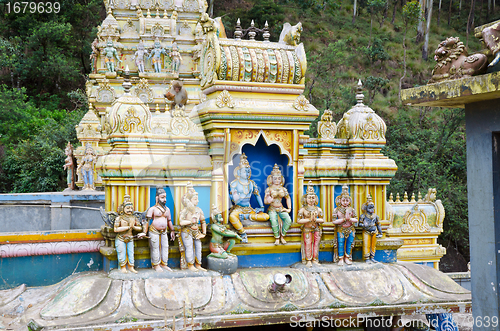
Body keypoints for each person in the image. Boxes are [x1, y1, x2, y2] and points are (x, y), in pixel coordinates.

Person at [229, 153, 270, 243]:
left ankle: (246, 216)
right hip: (238, 209)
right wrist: (234, 197)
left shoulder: (251, 183)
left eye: (248, 171)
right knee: (232, 216)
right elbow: (232, 198)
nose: (247, 173)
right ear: (239, 172)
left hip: (249, 210)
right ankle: (243, 233)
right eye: (244, 171)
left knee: (266, 216)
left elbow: (257, 195)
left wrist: (262, 207)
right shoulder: (234, 184)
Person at [145, 187, 175, 272]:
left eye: (165, 197)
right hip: (154, 231)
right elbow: (147, 221)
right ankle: (156, 265)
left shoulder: (167, 209)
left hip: (164, 232)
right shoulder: (152, 209)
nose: (164, 199)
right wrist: (144, 232)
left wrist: (172, 230)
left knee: (165, 247)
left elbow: (169, 221)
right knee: (155, 247)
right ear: (157, 198)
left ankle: (164, 264)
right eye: (162, 197)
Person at [179, 182, 207, 271]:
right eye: (195, 199)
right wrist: (190, 221)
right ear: (189, 201)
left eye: (197, 199)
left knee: (199, 248)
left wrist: (204, 233)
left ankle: (198, 264)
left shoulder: (199, 210)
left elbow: (203, 222)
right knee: (189, 247)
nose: (197, 201)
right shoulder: (185, 210)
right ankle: (190, 265)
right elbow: (181, 222)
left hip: (196, 232)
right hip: (187, 231)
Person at [114, 197, 146, 273]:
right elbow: (115, 229)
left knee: (131, 253)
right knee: (122, 253)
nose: (130, 210)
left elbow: (140, 228)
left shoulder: (134, 218)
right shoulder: (119, 218)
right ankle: (123, 267)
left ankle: (131, 266)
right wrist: (127, 227)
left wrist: (133, 227)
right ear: (123, 209)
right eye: (127, 208)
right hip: (121, 238)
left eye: (131, 208)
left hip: (130, 238)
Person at [297, 182, 324, 267]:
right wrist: (308, 219)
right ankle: (308, 259)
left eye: (313, 198)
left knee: (316, 244)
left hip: (316, 229)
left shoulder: (318, 209)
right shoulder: (303, 210)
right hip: (307, 229)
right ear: (306, 199)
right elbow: (298, 220)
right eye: (309, 198)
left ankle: (315, 259)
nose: (311, 200)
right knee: (308, 243)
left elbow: (322, 219)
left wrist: (316, 220)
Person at [264, 164, 292, 245]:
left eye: (279, 178)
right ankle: (277, 237)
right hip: (272, 208)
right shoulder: (269, 189)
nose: (277, 180)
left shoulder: (283, 189)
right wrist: (271, 198)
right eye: (275, 178)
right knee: (273, 220)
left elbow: (288, 198)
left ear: (281, 179)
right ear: (271, 179)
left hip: (280, 208)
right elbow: (265, 201)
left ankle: (282, 236)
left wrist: (289, 208)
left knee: (288, 220)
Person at [332, 185, 358, 266]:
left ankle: (347, 257)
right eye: (343, 200)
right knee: (340, 243)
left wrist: (350, 219)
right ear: (340, 201)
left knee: (349, 244)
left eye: (347, 200)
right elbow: (334, 221)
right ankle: (340, 258)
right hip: (341, 229)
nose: (345, 202)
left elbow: (356, 219)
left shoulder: (352, 210)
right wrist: (343, 220)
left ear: (349, 201)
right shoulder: (336, 210)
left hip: (350, 229)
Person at [359, 195, 383, 263]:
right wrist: (364, 225)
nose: (372, 209)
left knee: (373, 245)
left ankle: (372, 257)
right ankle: (367, 258)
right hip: (366, 231)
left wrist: (380, 233)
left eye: (373, 207)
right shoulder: (363, 216)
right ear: (366, 208)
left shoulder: (375, 216)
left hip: (374, 231)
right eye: (370, 208)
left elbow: (378, 224)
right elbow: (359, 224)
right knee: (366, 245)